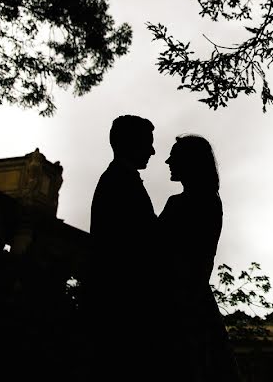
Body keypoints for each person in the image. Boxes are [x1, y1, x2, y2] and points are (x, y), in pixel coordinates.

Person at [160, 134, 240, 381]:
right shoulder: (212, 202)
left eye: (174, 156)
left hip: (177, 305)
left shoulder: (180, 205)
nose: (167, 161)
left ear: (189, 162)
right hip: (197, 304)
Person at [88, 115, 160, 376]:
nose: (153, 150)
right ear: (133, 143)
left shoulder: (117, 178)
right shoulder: (121, 181)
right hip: (123, 309)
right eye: (148, 143)